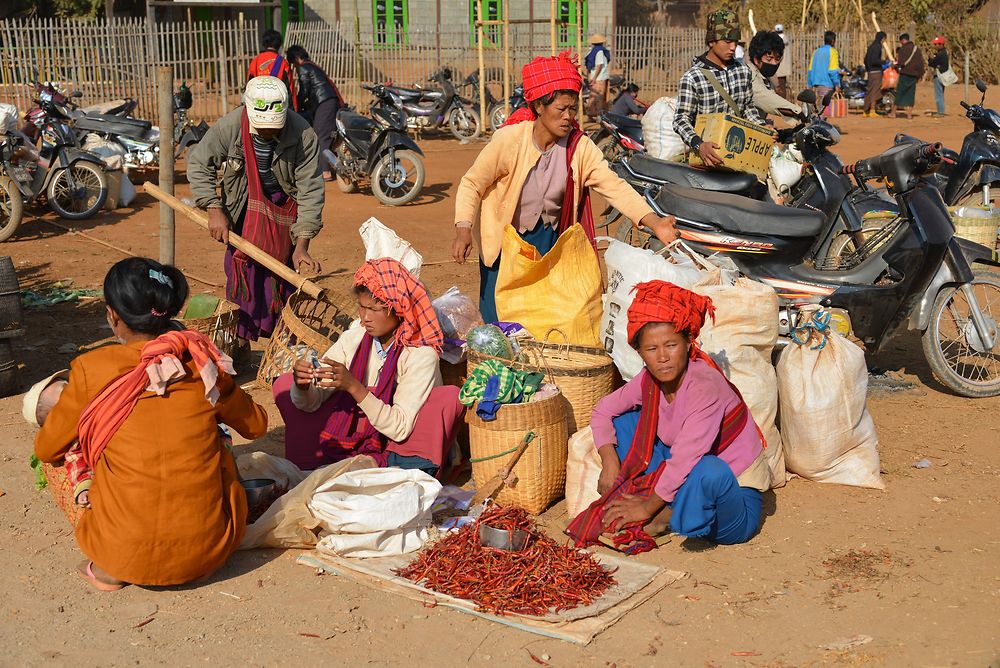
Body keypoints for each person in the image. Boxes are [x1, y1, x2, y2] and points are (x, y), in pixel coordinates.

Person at [33, 257, 268, 591]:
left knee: (65, 455)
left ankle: (108, 563)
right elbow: (256, 426)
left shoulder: (90, 369)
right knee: (220, 442)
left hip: (122, 558)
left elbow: (46, 448)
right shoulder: (200, 361)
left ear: (112, 314)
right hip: (208, 554)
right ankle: (182, 554)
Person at [451, 51, 678, 334]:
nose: (568, 117)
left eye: (572, 109)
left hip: (547, 242)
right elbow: (472, 183)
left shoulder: (578, 148)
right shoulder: (509, 140)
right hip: (505, 243)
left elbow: (613, 186)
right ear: (538, 106)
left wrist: (652, 220)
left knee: (542, 318)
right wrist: (463, 227)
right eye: (561, 109)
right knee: (500, 319)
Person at [566, 281, 771, 553]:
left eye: (671, 345)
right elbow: (603, 411)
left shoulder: (704, 386)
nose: (663, 357)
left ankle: (667, 515)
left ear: (688, 343)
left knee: (708, 471)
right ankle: (667, 504)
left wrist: (647, 507)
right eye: (652, 349)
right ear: (640, 353)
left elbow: (687, 458)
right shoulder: (648, 381)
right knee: (623, 422)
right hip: (683, 473)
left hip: (732, 492)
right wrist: (609, 460)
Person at [273, 257, 464, 476]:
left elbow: (400, 428)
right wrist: (303, 386)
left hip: (397, 445)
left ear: (399, 311)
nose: (365, 318)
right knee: (285, 384)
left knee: (447, 398)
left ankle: (404, 470)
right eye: (362, 308)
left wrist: (355, 387)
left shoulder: (420, 355)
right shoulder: (353, 339)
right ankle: (316, 460)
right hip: (355, 435)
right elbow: (310, 404)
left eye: (375, 309)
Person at [187, 75, 324, 358]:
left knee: (282, 284)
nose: (267, 134)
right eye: (261, 130)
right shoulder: (231, 126)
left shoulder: (303, 134)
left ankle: (281, 348)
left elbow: (310, 189)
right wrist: (214, 208)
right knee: (242, 282)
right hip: (243, 209)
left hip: (284, 212)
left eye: (273, 130)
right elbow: (200, 163)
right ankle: (239, 347)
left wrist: (302, 246)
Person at [673, 10, 767, 168]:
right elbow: (680, 120)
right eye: (727, 41)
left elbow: (748, 109)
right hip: (708, 160)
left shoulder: (743, 71)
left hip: (739, 156)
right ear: (711, 41)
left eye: (735, 42)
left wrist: (763, 129)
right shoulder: (693, 77)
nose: (733, 47)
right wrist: (699, 145)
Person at [286, 45, 345, 180]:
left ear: (296, 59)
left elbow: (304, 90)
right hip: (328, 102)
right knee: (327, 135)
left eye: (294, 64)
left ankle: (325, 171)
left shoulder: (303, 67)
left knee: (321, 136)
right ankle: (332, 166)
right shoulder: (312, 65)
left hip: (324, 103)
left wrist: (297, 107)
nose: (295, 67)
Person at [746, 30, 802, 124]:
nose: (774, 63)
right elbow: (767, 99)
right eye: (769, 59)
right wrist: (798, 112)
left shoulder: (766, 77)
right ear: (756, 60)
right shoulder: (749, 75)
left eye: (777, 59)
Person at [248, 29, 297, 111]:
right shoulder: (282, 62)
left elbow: (249, 86)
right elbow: (290, 90)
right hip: (277, 107)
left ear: (264, 43)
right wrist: (294, 110)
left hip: (258, 107)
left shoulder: (255, 61)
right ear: (279, 45)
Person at [894, 33, 925, 119]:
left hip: (904, 74)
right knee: (911, 95)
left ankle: (893, 113)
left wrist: (895, 67)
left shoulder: (902, 49)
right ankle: (909, 114)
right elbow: (921, 64)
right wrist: (920, 75)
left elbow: (900, 63)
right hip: (914, 75)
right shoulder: (917, 49)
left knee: (900, 93)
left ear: (903, 40)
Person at [807, 31, 841, 102]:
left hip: (816, 86)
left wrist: (810, 84)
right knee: (826, 109)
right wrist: (837, 84)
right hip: (827, 85)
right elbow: (833, 71)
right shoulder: (833, 52)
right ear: (833, 41)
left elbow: (810, 70)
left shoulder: (816, 52)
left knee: (819, 108)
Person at [585, 33, 611, 117]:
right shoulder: (600, 52)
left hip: (593, 77)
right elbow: (599, 65)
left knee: (593, 96)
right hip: (599, 78)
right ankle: (599, 115)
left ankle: (591, 114)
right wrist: (595, 77)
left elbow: (588, 66)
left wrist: (589, 76)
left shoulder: (590, 52)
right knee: (599, 97)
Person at [863, 31, 887, 118]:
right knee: (875, 91)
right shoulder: (877, 47)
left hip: (870, 72)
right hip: (876, 72)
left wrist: (868, 68)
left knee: (869, 90)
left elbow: (866, 60)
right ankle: (872, 110)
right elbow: (875, 60)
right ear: (882, 38)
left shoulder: (871, 47)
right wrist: (884, 62)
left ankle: (866, 111)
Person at [928, 36, 949, 117]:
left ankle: (940, 112)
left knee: (938, 94)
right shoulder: (944, 53)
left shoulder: (941, 54)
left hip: (939, 75)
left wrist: (930, 59)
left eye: (937, 44)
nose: (936, 46)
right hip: (943, 75)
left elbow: (932, 63)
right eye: (935, 44)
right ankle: (941, 110)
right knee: (940, 93)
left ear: (941, 44)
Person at [771, 24, 791, 99]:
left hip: (776, 69)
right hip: (784, 69)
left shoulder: (776, 41)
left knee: (778, 89)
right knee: (783, 88)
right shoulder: (786, 39)